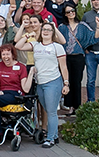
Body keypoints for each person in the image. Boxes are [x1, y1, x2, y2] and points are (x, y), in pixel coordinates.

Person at [28, 19, 70, 147]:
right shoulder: (36, 45)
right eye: (44, 29)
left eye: (48, 30)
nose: (46, 31)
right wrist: (27, 35)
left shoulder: (57, 47)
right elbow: (18, 46)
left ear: (53, 32)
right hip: (40, 82)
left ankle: (50, 139)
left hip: (53, 81)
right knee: (47, 109)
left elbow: (63, 67)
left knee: (51, 112)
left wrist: (66, 83)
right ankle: (55, 135)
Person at [0, 44, 31, 140]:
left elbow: (25, 89)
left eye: (8, 54)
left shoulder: (21, 67)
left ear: (13, 55)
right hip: (2, 93)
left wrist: (32, 73)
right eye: (3, 54)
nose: (5, 57)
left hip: (15, 93)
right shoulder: (0, 65)